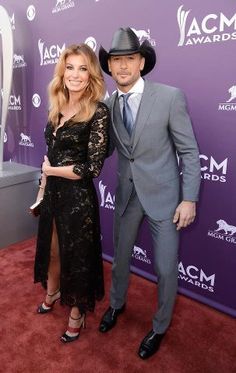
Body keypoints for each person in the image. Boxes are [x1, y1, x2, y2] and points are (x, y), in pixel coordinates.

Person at [98, 27, 201, 359]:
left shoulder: (170, 97)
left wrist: (189, 198)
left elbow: (188, 151)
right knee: (120, 259)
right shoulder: (109, 104)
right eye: (116, 61)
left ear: (141, 62)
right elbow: (105, 150)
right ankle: (116, 305)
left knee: (166, 267)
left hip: (166, 198)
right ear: (110, 67)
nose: (123, 67)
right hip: (127, 196)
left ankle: (159, 326)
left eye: (129, 59)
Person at [33, 44, 109, 343]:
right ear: (62, 71)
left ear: (91, 75)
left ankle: (77, 312)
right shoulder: (56, 106)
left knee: (76, 256)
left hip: (78, 199)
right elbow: (48, 158)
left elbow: (93, 168)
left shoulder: (98, 111)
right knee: (51, 250)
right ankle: (53, 291)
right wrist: (42, 189)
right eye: (70, 67)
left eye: (83, 68)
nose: (75, 75)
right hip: (52, 194)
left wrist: (51, 172)